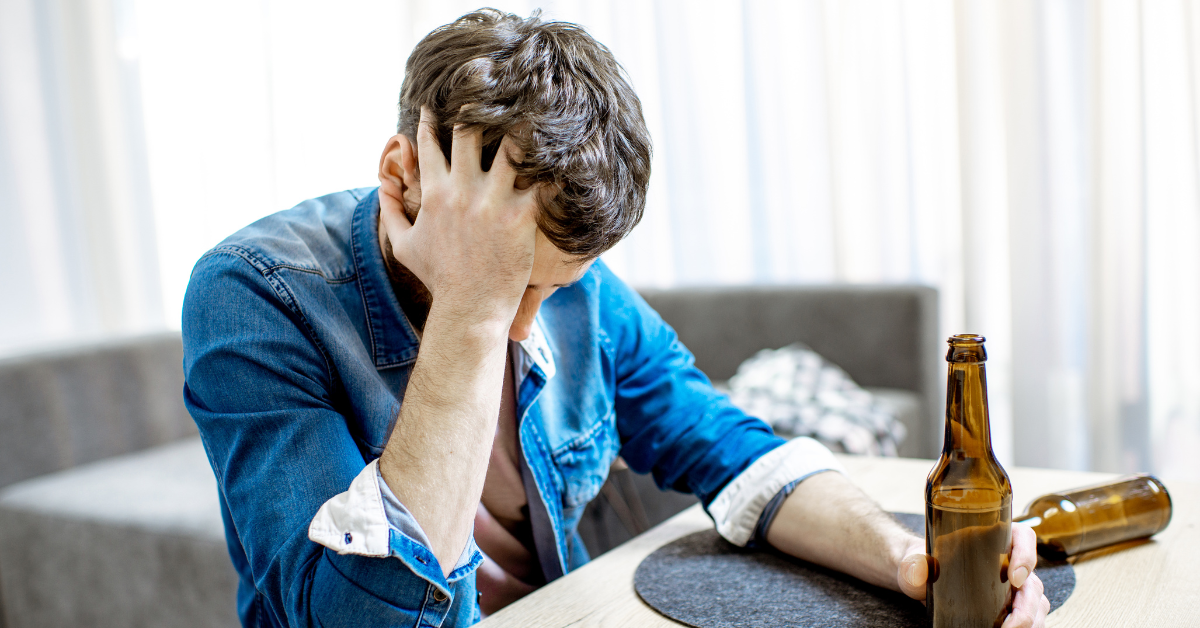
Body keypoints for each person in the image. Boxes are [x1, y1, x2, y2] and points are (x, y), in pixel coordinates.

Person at [181, 9, 1049, 628]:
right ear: (404, 177)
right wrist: (472, 311)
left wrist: (906, 561)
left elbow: (731, 451)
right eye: (512, 280)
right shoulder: (255, 296)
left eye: (550, 286)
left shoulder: (575, 291)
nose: (531, 324)